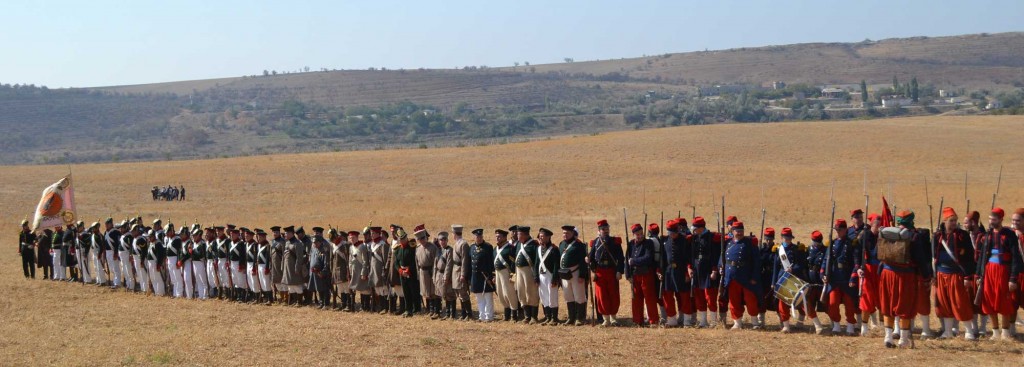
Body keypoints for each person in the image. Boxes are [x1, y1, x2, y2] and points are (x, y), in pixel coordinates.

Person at [878, 210, 931, 348]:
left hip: (886, 274)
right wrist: (926, 276)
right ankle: (903, 339)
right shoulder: (914, 237)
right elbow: (920, 259)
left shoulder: (887, 233)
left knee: (888, 305)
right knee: (905, 306)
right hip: (905, 276)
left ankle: (888, 337)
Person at [933, 207, 977, 339]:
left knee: (960, 302)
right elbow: (933, 257)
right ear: (945, 221)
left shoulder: (962, 236)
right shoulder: (937, 236)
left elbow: (970, 258)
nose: (954, 223)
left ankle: (969, 331)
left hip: (957, 274)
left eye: (955, 220)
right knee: (944, 303)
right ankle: (947, 331)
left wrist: (968, 276)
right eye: (951, 220)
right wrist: (933, 275)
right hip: (941, 274)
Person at [979, 208, 1022, 341]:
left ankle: (1005, 332)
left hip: (1003, 271)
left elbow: (1016, 257)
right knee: (990, 301)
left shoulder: (1009, 235)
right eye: (990, 219)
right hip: (989, 271)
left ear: (1001, 220)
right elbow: (982, 257)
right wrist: (979, 275)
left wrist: (1013, 278)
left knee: (1004, 300)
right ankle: (995, 332)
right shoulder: (987, 235)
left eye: (994, 220)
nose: (991, 222)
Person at [722, 221, 762, 330]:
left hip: (746, 276)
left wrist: (754, 277)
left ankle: (755, 322)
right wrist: (721, 267)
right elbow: (722, 258)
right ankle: (737, 323)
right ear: (732, 231)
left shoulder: (749, 244)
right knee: (733, 300)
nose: (739, 233)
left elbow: (756, 261)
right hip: (731, 276)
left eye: (741, 231)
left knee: (750, 300)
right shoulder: (728, 243)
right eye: (737, 231)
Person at [824, 219, 860, 336]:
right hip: (834, 278)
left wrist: (853, 278)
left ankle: (850, 325)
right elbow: (826, 260)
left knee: (849, 303)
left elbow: (856, 263)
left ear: (845, 230)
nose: (838, 232)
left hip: (846, 277)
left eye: (840, 230)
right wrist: (823, 274)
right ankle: (836, 324)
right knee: (833, 303)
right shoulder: (832, 243)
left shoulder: (851, 244)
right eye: (836, 230)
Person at [771, 227, 809, 333]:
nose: (787, 240)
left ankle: (801, 319)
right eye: (785, 238)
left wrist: (794, 269)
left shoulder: (796, 249)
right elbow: (776, 267)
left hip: (794, 278)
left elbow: (801, 264)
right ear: (782, 238)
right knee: (782, 303)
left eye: (788, 238)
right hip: (782, 278)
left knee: (798, 301)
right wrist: (773, 282)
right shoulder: (779, 250)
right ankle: (786, 325)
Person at [589, 219, 624, 326]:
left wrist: (619, 271)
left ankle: (613, 318)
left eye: (607, 229)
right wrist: (593, 270)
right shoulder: (595, 242)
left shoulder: (615, 241)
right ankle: (606, 319)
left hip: (612, 271)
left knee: (613, 295)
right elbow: (592, 258)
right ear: (599, 231)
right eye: (603, 229)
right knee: (602, 296)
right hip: (600, 272)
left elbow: (621, 258)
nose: (606, 231)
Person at [690, 217, 722, 327]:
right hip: (697, 269)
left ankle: (713, 321)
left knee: (710, 297)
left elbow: (716, 255)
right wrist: (690, 268)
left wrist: (714, 270)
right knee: (699, 296)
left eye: (695, 227)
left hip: (708, 270)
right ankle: (703, 321)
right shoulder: (694, 238)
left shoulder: (712, 238)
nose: (693, 229)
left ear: (701, 228)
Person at [661, 218, 693, 327]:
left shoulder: (684, 241)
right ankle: (672, 320)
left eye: (674, 232)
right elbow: (662, 258)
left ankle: (687, 321)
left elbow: (688, 258)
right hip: (668, 272)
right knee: (668, 296)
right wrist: (660, 271)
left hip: (681, 271)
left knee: (684, 296)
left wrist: (687, 273)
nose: (672, 235)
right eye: (670, 232)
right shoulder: (664, 241)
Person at [626, 223, 658, 327]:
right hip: (635, 275)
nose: (640, 236)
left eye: (641, 234)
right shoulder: (631, 244)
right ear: (634, 235)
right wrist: (628, 275)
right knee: (636, 299)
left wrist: (634, 261)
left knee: (650, 298)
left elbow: (648, 258)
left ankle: (653, 321)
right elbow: (627, 260)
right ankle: (637, 321)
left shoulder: (648, 243)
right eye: (637, 234)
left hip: (646, 274)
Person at [856, 212, 883, 336]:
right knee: (866, 298)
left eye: (880, 224)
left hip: (881, 269)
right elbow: (857, 253)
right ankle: (864, 326)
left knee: (882, 298)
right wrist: (858, 267)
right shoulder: (864, 236)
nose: (878, 227)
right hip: (867, 268)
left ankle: (883, 324)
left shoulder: (884, 236)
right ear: (872, 224)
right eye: (876, 224)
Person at [560, 225, 588, 326]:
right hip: (564, 274)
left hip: (576, 273)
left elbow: (582, 262)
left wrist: (582, 275)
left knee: (579, 296)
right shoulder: (561, 244)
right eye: (563, 233)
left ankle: (580, 318)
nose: (565, 235)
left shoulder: (579, 245)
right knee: (568, 296)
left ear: (572, 233)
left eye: (567, 233)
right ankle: (571, 317)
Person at [513, 226, 541, 324]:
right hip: (519, 271)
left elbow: (537, 261)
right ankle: (527, 316)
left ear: (526, 234)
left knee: (531, 293)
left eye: (519, 234)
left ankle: (534, 317)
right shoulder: (518, 245)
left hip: (529, 271)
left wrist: (536, 276)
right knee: (522, 293)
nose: (517, 236)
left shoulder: (534, 245)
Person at [469, 228, 496, 322]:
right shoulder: (471, 247)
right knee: (479, 298)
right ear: (474, 237)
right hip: (476, 277)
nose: (479, 238)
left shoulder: (488, 247)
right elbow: (469, 264)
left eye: (480, 236)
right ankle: (482, 316)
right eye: (477, 236)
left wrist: (492, 276)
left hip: (486, 276)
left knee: (488, 298)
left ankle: (489, 316)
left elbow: (491, 263)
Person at [494, 228, 520, 322]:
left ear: (504, 237)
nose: (497, 238)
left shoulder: (510, 248)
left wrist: (512, 275)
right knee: (500, 293)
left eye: (499, 237)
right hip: (498, 273)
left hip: (507, 273)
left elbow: (513, 263)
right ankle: (506, 315)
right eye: (496, 236)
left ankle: (514, 316)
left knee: (509, 293)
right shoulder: (495, 249)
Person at [536, 227, 561, 325]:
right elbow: (536, 264)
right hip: (541, 276)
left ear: (548, 237)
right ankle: (548, 316)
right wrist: (536, 277)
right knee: (544, 297)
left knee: (552, 297)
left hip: (550, 276)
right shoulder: (539, 248)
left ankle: (554, 318)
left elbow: (556, 265)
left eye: (542, 236)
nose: (541, 238)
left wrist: (554, 279)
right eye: (540, 236)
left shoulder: (554, 249)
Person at [414, 225, 439, 318]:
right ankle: (429, 309)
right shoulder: (417, 248)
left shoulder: (432, 247)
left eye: (423, 238)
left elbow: (436, 262)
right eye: (420, 239)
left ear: (426, 237)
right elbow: (417, 262)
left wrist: (434, 273)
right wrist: (418, 274)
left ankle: (436, 310)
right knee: (426, 293)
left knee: (433, 292)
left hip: (431, 272)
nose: (422, 240)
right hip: (422, 272)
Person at [450, 225, 473, 320]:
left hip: (460, 271)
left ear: (454, 234)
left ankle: (469, 314)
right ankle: (463, 314)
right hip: (455, 270)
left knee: (463, 293)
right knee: (458, 294)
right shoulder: (456, 243)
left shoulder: (463, 244)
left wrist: (463, 274)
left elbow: (465, 260)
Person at [394, 227, 418, 317]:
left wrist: (409, 269)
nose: (402, 240)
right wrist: (400, 270)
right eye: (400, 239)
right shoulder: (397, 249)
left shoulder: (411, 247)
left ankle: (416, 309)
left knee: (413, 291)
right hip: (402, 273)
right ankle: (408, 309)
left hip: (411, 273)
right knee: (406, 292)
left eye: (403, 238)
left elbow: (414, 260)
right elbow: (396, 262)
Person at [433, 231, 456, 320]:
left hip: (445, 275)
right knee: (438, 293)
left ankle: (451, 314)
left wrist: (446, 277)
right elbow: (435, 264)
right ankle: (438, 313)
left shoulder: (449, 250)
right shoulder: (438, 250)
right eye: (440, 240)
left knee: (449, 295)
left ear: (447, 240)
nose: (442, 241)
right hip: (438, 274)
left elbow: (449, 265)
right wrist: (434, 276)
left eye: (444, 240)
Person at [281, 226, 305, 305]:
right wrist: (283, 266)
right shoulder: (287, 242)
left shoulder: (298, 243)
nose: (285, 234)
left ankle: (299, 301)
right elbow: (284, 256)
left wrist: (297, 268)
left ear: (291, 233)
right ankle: (294, 300)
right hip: (287, 267)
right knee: (290, 285)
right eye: (285, 233)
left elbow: (299, 258)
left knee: (297, 285)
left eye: (286, 233)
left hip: (294, 268)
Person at [309, 228, 332, 309]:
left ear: (319, 242)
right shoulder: (314, 249)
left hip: (322, 273)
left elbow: (327, 263)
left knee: (325, 289)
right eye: (313, 243)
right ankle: (321, 302)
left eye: (316, 242)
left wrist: (323, 272)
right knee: (319, 289)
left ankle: (326, 303)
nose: (314, 244)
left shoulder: (324, 250)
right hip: (315, 272)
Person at [329, 228, 351, 310]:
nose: (332, 241)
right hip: (336, 270)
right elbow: (331, 259)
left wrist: (348, 271)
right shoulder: (332, 246)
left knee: (346, 288)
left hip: (343, 270)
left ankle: (348, 305)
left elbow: (348, 259)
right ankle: (343, 304)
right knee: (340, 289)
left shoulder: (345, 245)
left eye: (333, 239)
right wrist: (332, 270)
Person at [190, 228, 209, 300]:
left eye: (194, 235)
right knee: (198, 280)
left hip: (200, 263)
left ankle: (205, 295)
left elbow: (201, 255)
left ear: (199, 236)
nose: (193, 237)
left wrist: (192, 251)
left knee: (203, 280)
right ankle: (201, 295)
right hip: (195, 263)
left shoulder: (202, 244)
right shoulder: (194, 244)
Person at [269, 226, 285, 304]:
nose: (275, 234)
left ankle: (284, 297)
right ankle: (278, 296)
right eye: (274, 232)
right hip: (273, 263)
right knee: (275, 281)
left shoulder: (283, 241)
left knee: (282, 281)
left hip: (280, 263)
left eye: (276, 232)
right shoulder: (272, 242)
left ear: (279, 232)